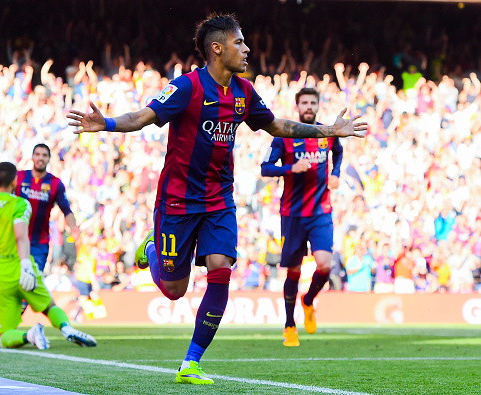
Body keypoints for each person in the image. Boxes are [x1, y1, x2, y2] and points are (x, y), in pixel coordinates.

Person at [67, 13, 366, 384]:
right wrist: (107, 123)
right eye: (240, 42)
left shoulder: (244, 92)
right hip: (177, 200)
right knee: (175, 291)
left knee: (221, 267)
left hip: (219, 200)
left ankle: (191, 361)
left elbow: (275, 126)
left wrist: (329, 131)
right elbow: (142, 116)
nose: (247, 49)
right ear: (217, 48)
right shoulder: (187, 88)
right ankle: (154, 251)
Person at [0, 161, 97, 349]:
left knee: (1, 337)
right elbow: (21, 237)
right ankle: (65, 327)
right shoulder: (20, 203)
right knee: (49, 306)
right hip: (20, 268)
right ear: (14, 182)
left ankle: (29, 335)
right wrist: (26, 266)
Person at [260, 87, 345, 347]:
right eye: (304, 102)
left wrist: (336, 173)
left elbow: (338, 152)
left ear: (318, 105)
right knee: (294, 270)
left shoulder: (326, 134)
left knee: (325, 265)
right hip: (293, 214)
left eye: (313, 102)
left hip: (321, 211)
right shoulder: (284, 135)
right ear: (297, 106)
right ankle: (289, 325)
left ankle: (308, 301)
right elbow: (265, 168)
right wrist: (290, 168)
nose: (309, 106)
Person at [16, 143, 80, 273]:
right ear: (32, 157)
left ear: (49, 159)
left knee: (33, 281)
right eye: (37, 154)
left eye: (44, 155)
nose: (40, 158)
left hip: (39, 244)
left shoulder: (55, 183)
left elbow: (66, 209)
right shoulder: (19, 177)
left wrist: (74, 228)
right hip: (16, 240)